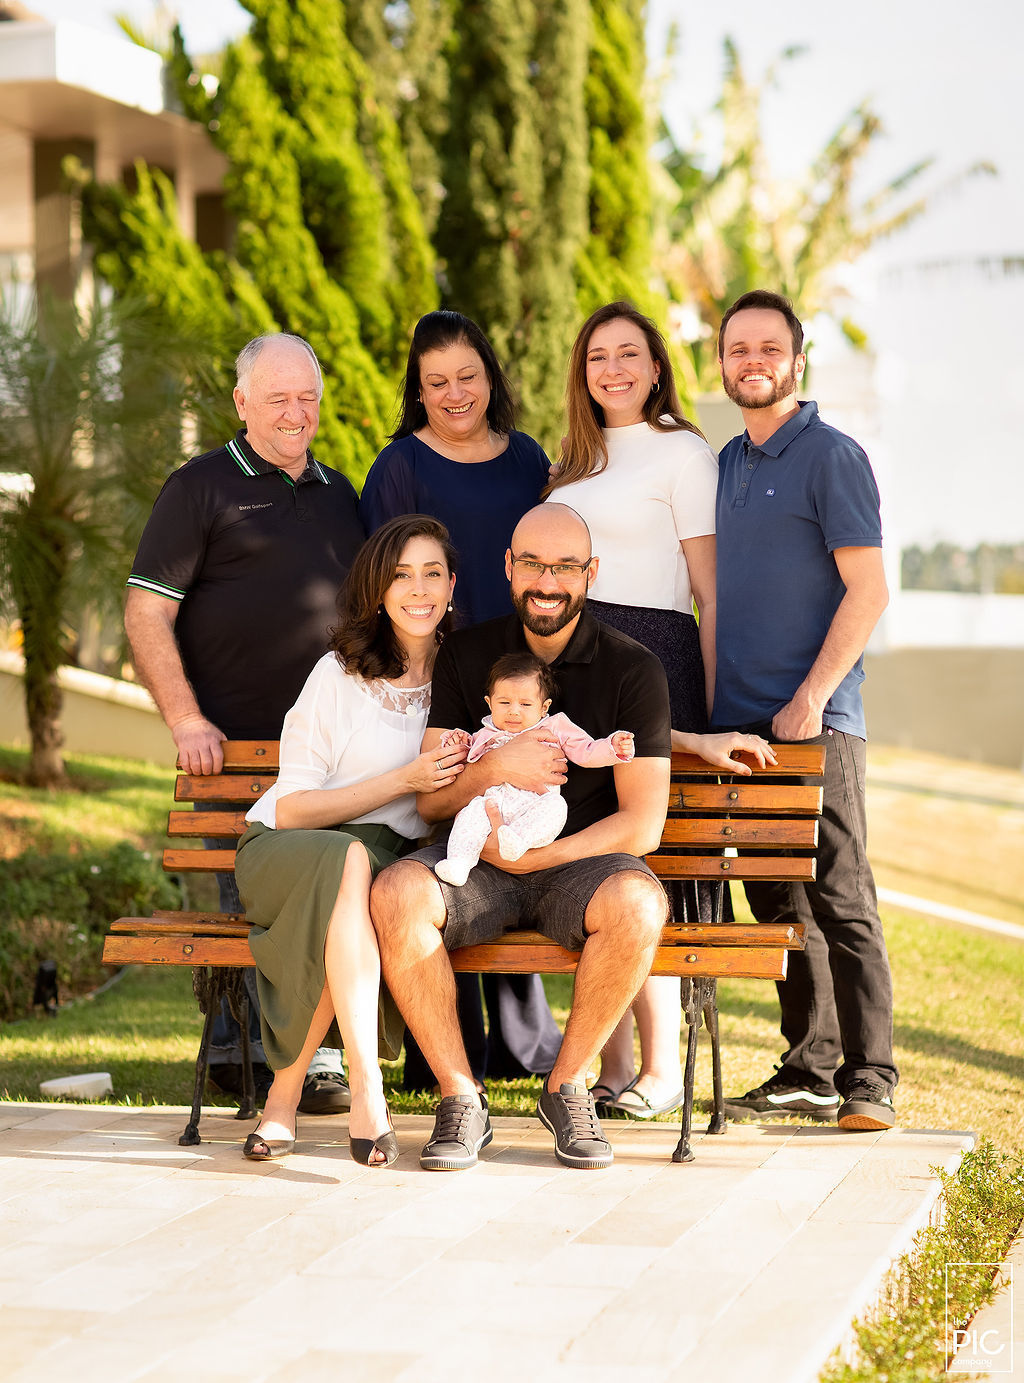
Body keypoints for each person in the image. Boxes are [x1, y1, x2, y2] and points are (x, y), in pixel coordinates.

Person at [125, 333, 364, 1115]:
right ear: (241, 404)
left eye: (307, 398)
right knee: (250, 898)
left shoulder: (341, 495)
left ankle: (307, 1052)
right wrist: (185, 716)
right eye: (277, 398)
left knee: (323, 888)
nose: (295, 413)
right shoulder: (199, 486)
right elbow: (146, 612)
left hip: (329, 753)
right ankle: (241, 1043)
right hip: (233, 749)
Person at [548, 301, 775, 1119]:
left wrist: (707, 710)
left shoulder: (684, 453)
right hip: (576, 666)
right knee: (591, 863)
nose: (612, 369)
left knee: (656, 864)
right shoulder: (570, 462)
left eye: (629, 355)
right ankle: (609, 1067)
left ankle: (662, 1070)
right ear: (583, 369)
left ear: (654, 367)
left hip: (657, 663)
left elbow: (708, 594)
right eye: (598, 356)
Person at [359, 308, 561, 1087]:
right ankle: (444, 1045)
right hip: (436, 678)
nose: (454, 393)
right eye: (435, 381)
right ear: (416, 389)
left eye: (467, 377)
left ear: (491, 377)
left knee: (512, 824)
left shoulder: (527, 460)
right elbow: (390, 577)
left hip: (517, 681)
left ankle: (521, 1039)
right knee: (444, 843)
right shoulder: (399, 465)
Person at [712, 289, 897, 1132]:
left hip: (817, 718)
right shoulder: (725, 462)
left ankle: (871, 1079)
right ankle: (809, 1066)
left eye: (768, 348)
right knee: (775, 900)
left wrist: (813, 696)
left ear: (796, 359)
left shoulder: (831, 455)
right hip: (739, 724)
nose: (753, 361)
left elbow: (869, 588)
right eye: (738, 348)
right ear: (721, 361)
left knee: (840, 893)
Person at [233, 515, 464, 1162]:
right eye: (401, 576)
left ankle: (283, 1103)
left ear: (452, 585)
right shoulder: (339, 674)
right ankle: (366, 1086)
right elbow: (295, 807)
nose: (418, 590)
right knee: (348, 863)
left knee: (353, 881)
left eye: (432, 573)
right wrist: (404, 778)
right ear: (379, 589)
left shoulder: (465, 677)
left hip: (375, 864)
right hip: (284, 846)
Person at [434, 650, 634, 885]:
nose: (514, 711)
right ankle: (459, 863)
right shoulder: (486, 733)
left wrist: (613, 748)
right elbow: (465, 758)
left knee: (557, 807)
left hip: (535, 804)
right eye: (504, 702)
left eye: (525, 704)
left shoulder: (554, 727)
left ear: (543, 707)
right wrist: (457, 741)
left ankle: (518, 840)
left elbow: (586, 751)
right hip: (492, 803)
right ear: (489, 703)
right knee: (469, 815)